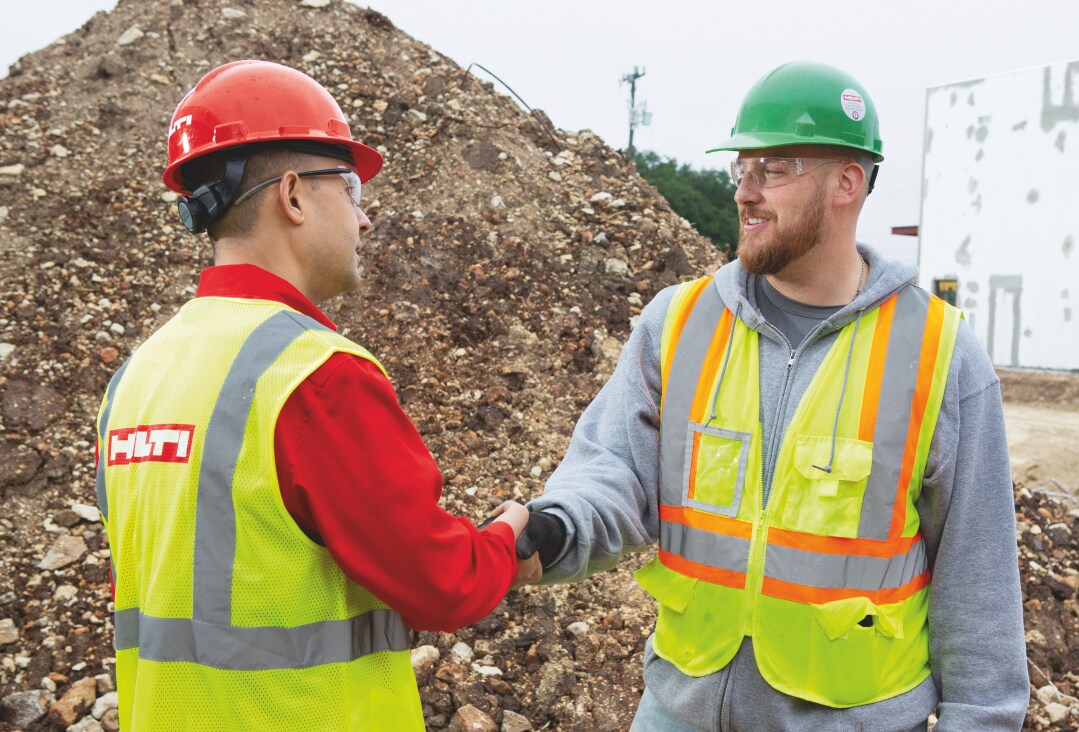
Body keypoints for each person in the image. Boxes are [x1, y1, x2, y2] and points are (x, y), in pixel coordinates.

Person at [519, 61, 1029, 730]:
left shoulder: (939, 353)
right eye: (742, 169)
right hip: (680, 708)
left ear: (848, 181)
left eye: (775, 169)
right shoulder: (678, 322)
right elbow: (614, 473)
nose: (745, 192)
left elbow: (979, 580)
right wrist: (550, 530)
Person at [93, 60, 539, 731]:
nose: (363, 221)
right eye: (352, 190)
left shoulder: (136, 379)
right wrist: (509, 537)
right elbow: (442, 583)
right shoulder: (317, 378)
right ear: (294, 195)